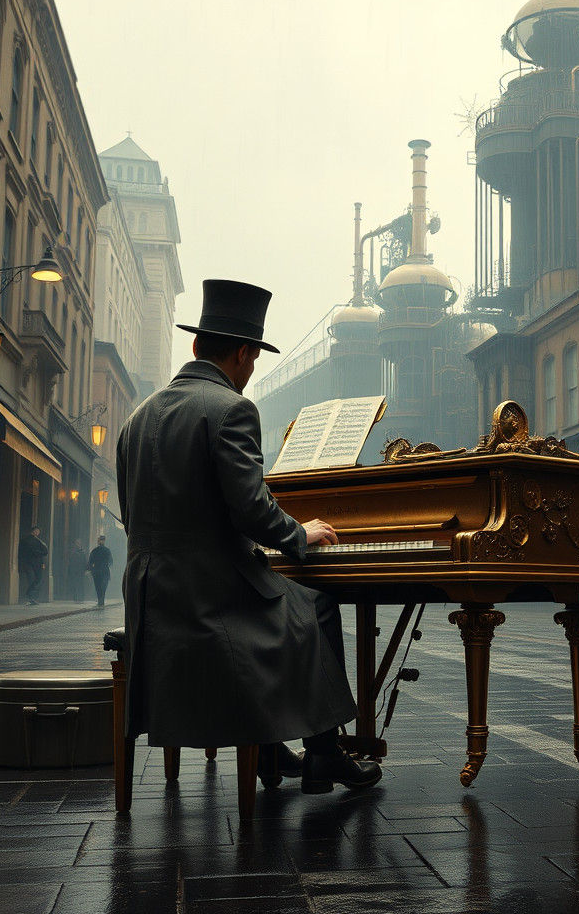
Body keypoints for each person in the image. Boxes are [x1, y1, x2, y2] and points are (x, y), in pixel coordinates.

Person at [117, 279, 379, 793]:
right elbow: (252, 508)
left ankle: (272, 746)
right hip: (209, 600)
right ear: (242, 354)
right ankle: (323, 751)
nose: (250, 372)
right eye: (253, 361)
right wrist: (298, 533)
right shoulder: (232, 409)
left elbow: (138, 515)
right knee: (318, 604)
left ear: (195, 347)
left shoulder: (137, 418)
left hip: (150, 599)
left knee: (282, 602)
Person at [18, 526, 48, 606]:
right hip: (33, 563)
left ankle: (31, 596)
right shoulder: (35, 541)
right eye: (37, 531)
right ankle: (30, 596)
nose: (38, 533)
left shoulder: (28, 540)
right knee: (36, 579)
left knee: (34, 579)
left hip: (30, 563)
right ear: (34, 531)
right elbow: (45, 552)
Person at [87, 535, 113, 607]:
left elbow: (90, 562)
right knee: (102, 587)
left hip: (97, 572)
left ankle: (100, 600)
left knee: (98, 587)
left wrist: (92, 570)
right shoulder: (107, 551)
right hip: (103, 572)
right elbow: (111, 562)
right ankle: (101, 600)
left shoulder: (95, 551)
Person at [68, 539, 88, 603]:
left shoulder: (83, 552)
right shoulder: (72, 552)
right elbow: (70, 562)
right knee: (75, 584)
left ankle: (81, 598)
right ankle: (75, 598)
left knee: (81, 585)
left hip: (81, 571)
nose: (77, 544)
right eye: (76, 543)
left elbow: (85, 562)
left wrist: (85, 570)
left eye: (78, 543)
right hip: (74, 571)